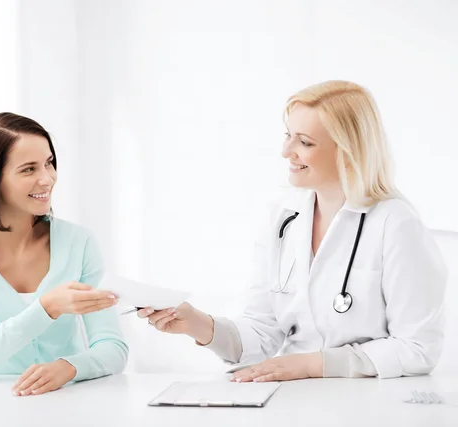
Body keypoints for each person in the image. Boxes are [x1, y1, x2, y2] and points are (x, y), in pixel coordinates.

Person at [138, 80, 447, 382]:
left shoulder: (396, 224)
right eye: (288, 135)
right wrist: (199, 325)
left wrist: (314, 364)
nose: (287, 151)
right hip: (295, 397)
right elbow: (262, 333)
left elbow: (418, 349)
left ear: (348, 150)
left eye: (304, 142)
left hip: (366, 400)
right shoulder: (284, 217)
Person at [0, 113, 127, 395]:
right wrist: (46, 308)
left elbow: (113, 347)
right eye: (28, 169)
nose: (47, 179)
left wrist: (69, 367)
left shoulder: (79, 241)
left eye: (49, 164)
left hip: (69, 400)